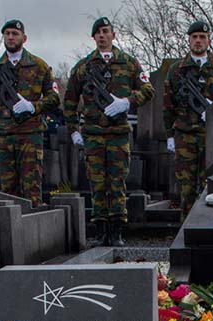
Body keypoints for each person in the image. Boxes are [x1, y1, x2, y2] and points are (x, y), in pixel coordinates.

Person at [64, 17, 154, 246]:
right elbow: (70, 102)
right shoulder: (83, 67)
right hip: (93, 133)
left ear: (113, 35)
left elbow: (148, 89)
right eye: (98, 33)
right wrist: (74, 130)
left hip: (118, 134)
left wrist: (127, 101)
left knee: (117, 183)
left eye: (106, 31)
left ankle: (117, 232)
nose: (102, 36)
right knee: (97, 184)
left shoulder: (129, 63)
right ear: (93, 38)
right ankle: (101, 231)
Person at [0, 19, 60, 206]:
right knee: (7, 188)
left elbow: (54, 97)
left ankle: (33, 230)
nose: (10, 37)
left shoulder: (39, 65)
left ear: (24, 38)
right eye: (7, 34)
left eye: (15, 34)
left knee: (32, 185)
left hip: (30, 132)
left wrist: (34, 106)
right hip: (4, 133)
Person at [163, 20, 213, 221]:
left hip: (212, 136)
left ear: (209, 40)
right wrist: (170, 135)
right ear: (189, 40)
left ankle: (208, 228)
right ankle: (187, 231)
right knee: (187, 188)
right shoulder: (177, 70)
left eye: (202, 37)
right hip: (185, 135)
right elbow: (168, 105)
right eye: (194, 37)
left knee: (211, 186)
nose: (198, 41)